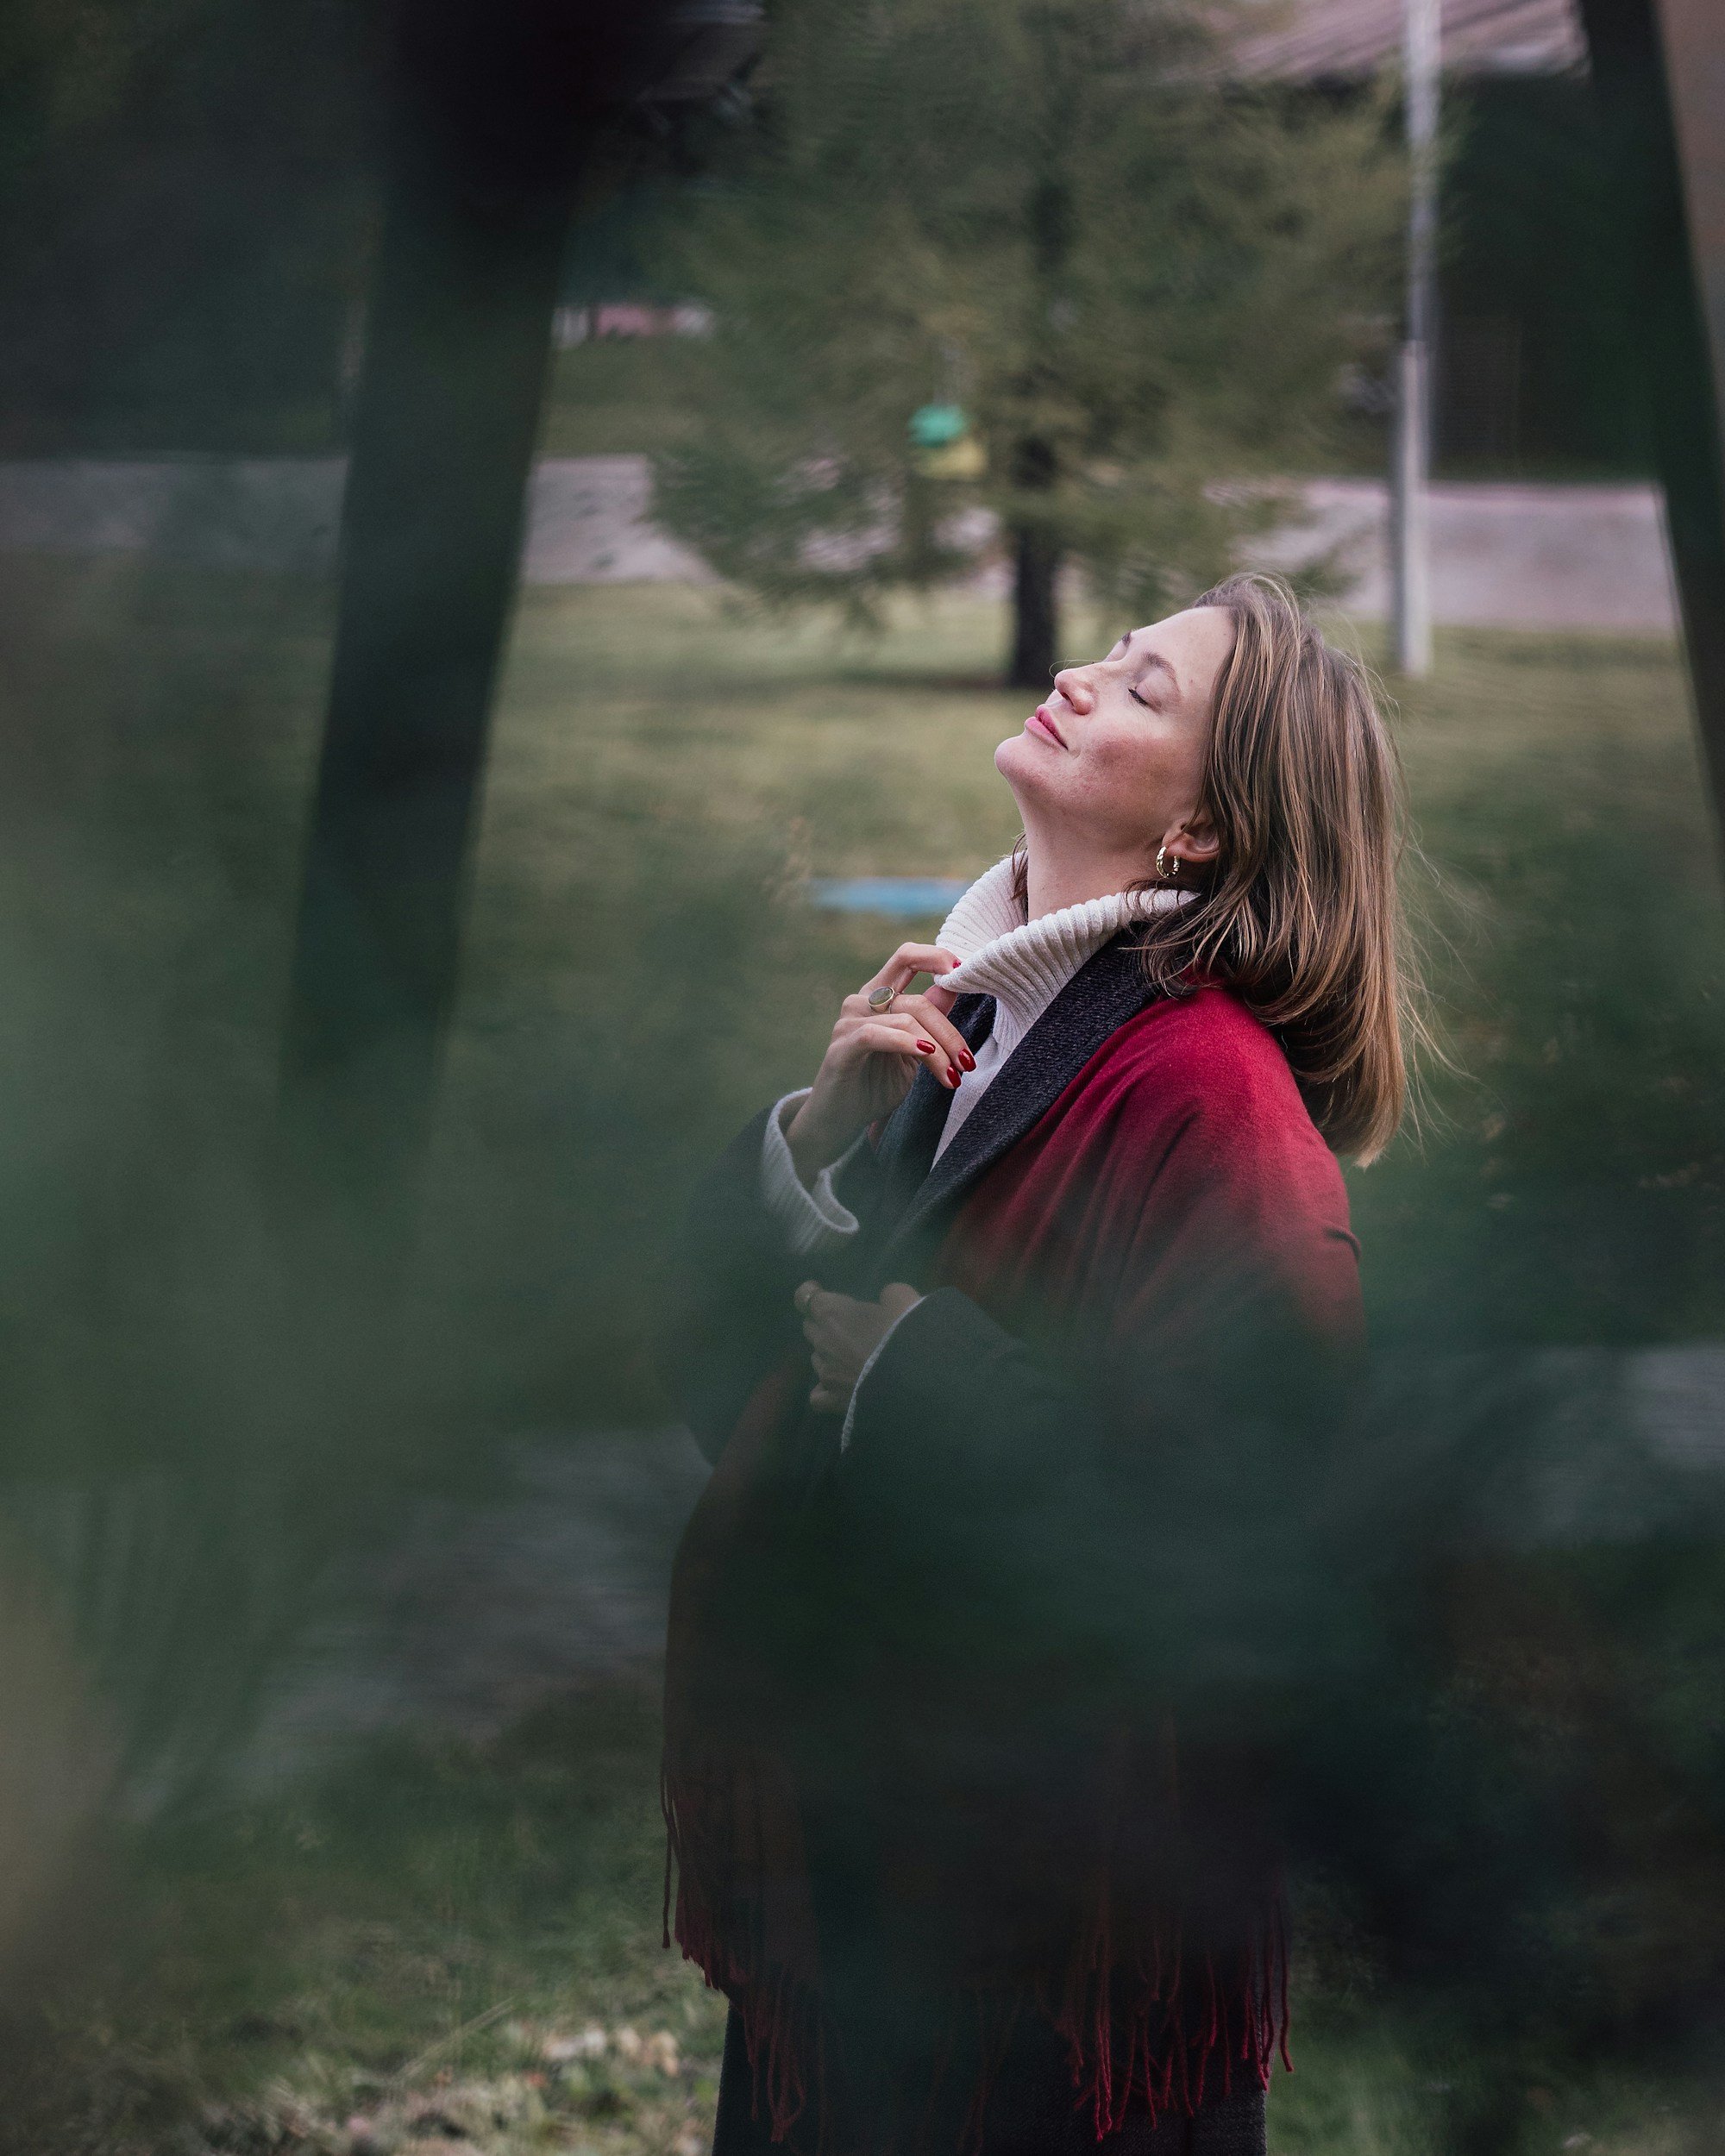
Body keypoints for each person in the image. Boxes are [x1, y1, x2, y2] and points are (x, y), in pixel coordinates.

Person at [657, 573, 1422, 2156]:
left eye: (1146, 690)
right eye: (1111, 654)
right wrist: (810, 1147)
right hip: (868, 1884)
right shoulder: (974, 1025)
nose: (1079, 675)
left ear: (1202, 830)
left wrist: (918, 1376)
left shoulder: (1213, 1096)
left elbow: (1256, 1531)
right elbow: (723, 1402)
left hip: (1057, 1975)